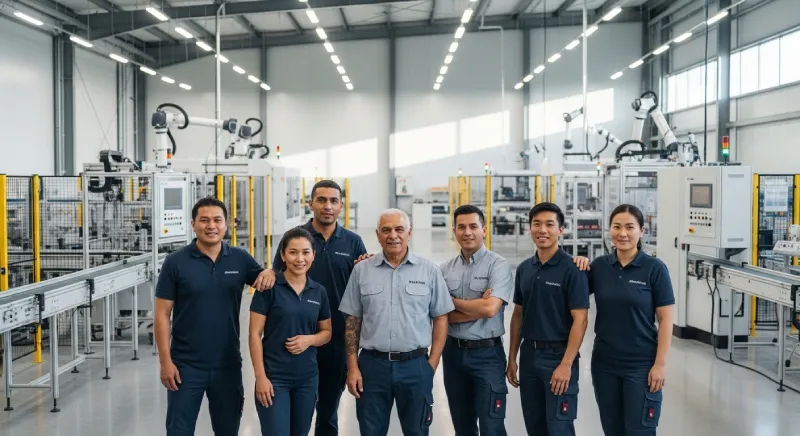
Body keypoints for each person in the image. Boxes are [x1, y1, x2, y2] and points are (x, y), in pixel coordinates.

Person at [154, 197, 276, 436]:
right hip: (185, 366)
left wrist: (271, 270)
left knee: (228, 429)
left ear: (226, 224)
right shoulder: (175, 262)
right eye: (204, 220)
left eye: (217, 220)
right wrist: (165, 362)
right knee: (179, 430)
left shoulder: (240, 259)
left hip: (227, 364)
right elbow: (162, 314)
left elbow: (265, 280)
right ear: (193, 224)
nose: (211, 226)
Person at [339, 208, 454, 436]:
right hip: (372, 367)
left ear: (409, 233)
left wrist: (430, 365)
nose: (393, 235)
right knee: (371, 431)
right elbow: (353, 321)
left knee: (417, 431)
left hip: (415, 365)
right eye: (386, 230)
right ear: (378, 235)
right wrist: (352, 367)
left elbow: (441, 317)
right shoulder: (361, 271)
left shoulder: (429, 271)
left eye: (399, 229)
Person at [270, 179, 370, 436]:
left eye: (333, 201)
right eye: (322, 200)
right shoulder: (294, 238)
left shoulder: (353, 243)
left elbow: (364, 289)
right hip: (293, 340)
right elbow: (276, 280)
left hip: (335, 339)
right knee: (296, 414)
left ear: (341, 206)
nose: (327, 206)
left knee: (327, 412)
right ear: (310, 203)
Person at [585, 204, 674, 435]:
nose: (622, 233)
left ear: (641, 231)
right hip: (604, 364)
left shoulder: (655, 269)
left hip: (641, 365)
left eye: (629, 227)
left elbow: (665, 320)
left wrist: (660, 365)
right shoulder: (599, 267)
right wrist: (576, 264)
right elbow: (569, 296)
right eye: (617, 227)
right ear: (609, 230)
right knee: (612, 429)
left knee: (639, 430)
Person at [506, 202, 590, 436]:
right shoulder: (525, 268)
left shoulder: (573, 269)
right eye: (537, 224)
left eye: (549, 224)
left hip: (558, 356)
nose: (542, 230)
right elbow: (518, 315)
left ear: (561, 230)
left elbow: (580, 320)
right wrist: (512, 357)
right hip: (529, 356)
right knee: (535, 426)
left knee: (559, 427)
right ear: (529, 228)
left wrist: (565, 364)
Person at [249, 227, 333, 436]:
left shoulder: (318, 291)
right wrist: (260, 377)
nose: (300, 259)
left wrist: (309, 340)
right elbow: (254, 335)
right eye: (293, 252)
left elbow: (327, 332)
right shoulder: (268, 288)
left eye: (305, 252)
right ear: (283, 255)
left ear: (313, 255)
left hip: (307, 378)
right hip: (274, 377)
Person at [440, 204, 513, 436]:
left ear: (484, 230)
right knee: (463, 427)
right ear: (454, 231)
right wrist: (475, 307)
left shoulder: (498, 265)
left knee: (492, 427)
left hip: (487, 356)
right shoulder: (444, 270)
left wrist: (453, 302)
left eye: (473, 226)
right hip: (452, 355)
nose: (467, 232)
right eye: (461, 227)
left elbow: (490, 308)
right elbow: (440, 314)